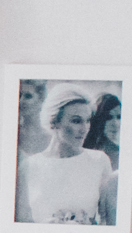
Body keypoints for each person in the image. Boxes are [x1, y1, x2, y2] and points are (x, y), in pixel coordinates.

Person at [18, 84, 117, 225]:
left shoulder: (99, 161)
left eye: (87, 120)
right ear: (54, 122)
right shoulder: (28, 166)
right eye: (76, 121)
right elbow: (21, 224)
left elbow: (108, 221)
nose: (84, 129)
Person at [84, 91, 123, 167]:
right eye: (108, 117)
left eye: (119, 117)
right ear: (97, 119)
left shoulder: (117, 153)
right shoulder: (80, 148)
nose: (115, 124)